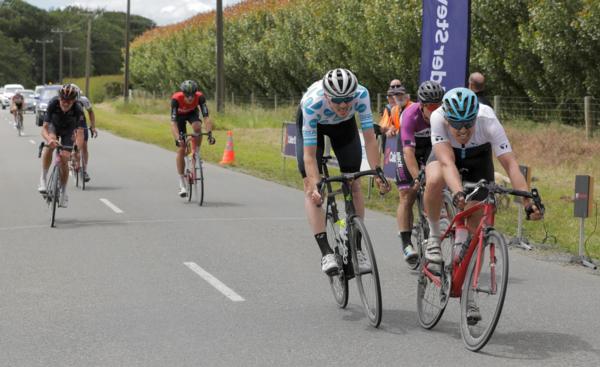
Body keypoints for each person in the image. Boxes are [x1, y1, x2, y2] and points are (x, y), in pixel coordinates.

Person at [423, 88, 543, 323]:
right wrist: (457, 193)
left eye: (469, 123)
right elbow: (447, 163)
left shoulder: (488, 120)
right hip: (446, 157)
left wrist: (528, 201)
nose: (464, 130)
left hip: (479, 159)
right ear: (447, 119)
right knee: (436, 178)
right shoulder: (438, 117)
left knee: (474, 227)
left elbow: (510, 164)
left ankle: (467, 293)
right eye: (457, 124)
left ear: (476, 117)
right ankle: (434, 237)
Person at [296, 68, 389, 275]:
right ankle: (326, 252)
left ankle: (357, 248)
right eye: (337, 100)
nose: (344, 104)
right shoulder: (313, 103)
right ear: (327, 96)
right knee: (312, 189)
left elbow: (370, 139)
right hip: (315, 126)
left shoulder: (361, 95)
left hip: (344, 127)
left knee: (354, 183)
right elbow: (310, 156)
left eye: (348, 98)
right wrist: (315, 183)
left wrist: (377, 172)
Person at [394, 80, 444, 265]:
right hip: (408, 149)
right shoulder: (410, 115)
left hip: (430, 147)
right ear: (422, 105)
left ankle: (433, 232)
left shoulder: (443, 116)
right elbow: (408, 153)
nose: (435, 110)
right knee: (407, 194)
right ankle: (406, 243)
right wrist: (418, 177)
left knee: (435, 183)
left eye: (439, 105)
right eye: (431, 106)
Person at [38, 84, 85, 208]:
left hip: (69, 130)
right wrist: (49, 139)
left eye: (68, 101)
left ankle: (63, 192)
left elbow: (80, 134)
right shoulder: (53, 103)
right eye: (63, 100)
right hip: (54, 126)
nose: (65, 103)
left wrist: (76, 151)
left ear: (74, 100)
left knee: (65, 158)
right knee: (51, 144)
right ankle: (43, 178)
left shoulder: (78, 109)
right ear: (59, 98)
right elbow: (44, 129)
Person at [170, 80, 214, 197]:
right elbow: (173, 122)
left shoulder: (200, 97)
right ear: (183, 93)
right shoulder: (176, 99)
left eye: (192, 95)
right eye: (187, 95)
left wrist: (209, 133)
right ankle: (182, 183)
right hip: (179, 118)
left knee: (197, 127)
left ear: (195, 93)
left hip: (191, 113)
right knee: (181, 148)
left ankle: (197, 153)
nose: (190, 98)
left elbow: (206, 117)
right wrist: (177, 138)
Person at [74, 87, 98, 182]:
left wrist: (92, 126)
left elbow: (91, 112)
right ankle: (76, 163)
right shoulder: (65, 101)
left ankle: (84, 170)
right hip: (70, 122)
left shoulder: (84, 100)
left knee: (84, 146)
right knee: (74, 145)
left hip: (81, 121)